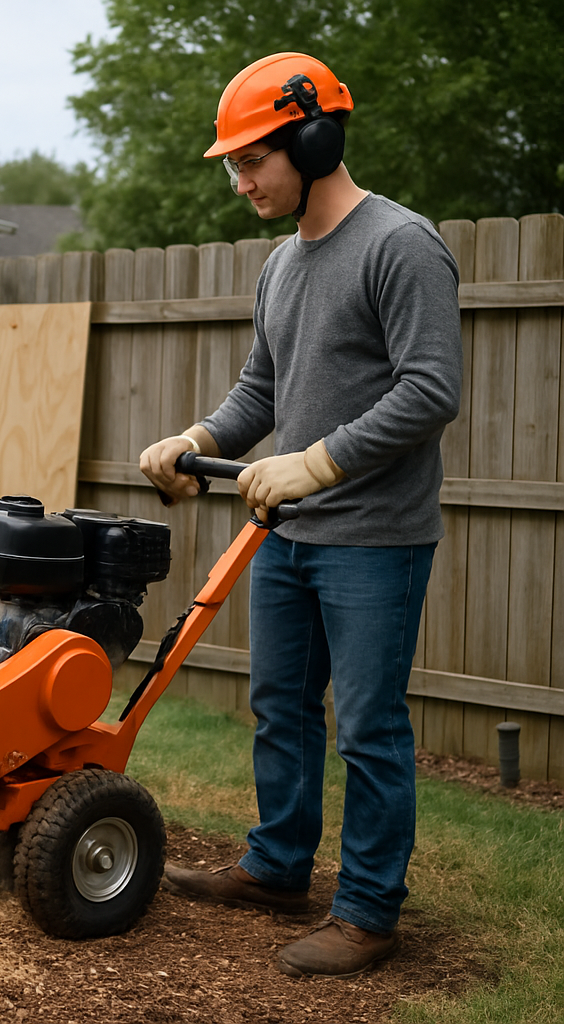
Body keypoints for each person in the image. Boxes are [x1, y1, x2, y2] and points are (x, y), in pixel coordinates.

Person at [140, 51, 462, 978]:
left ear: (314, 140)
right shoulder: (281, 265)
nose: (240, 181)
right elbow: (263, 389)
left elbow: (432, 389)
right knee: (280, 707)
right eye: (234, 166)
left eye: (253, 161)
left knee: (368, 727)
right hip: (285, 533)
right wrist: (196, 435)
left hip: (375, 540)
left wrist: (317, 462)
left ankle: (367, 912)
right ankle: (278, 869)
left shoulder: (401, 244)